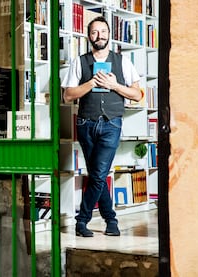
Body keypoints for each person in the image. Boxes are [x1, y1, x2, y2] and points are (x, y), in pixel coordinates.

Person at [61, 16, 142, 237]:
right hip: (86, 124)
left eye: (104, 31)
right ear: (89, 36)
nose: (100, 36)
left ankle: (82, 220)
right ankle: (111, 221)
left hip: (111, 124)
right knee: (98, 174)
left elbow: (137, 94)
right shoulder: (80, 61)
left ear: (109, 34)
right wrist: (91, 83)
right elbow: (68, 95)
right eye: (95, 32)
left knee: (97, 174)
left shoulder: (122, 62)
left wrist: (114, 85)